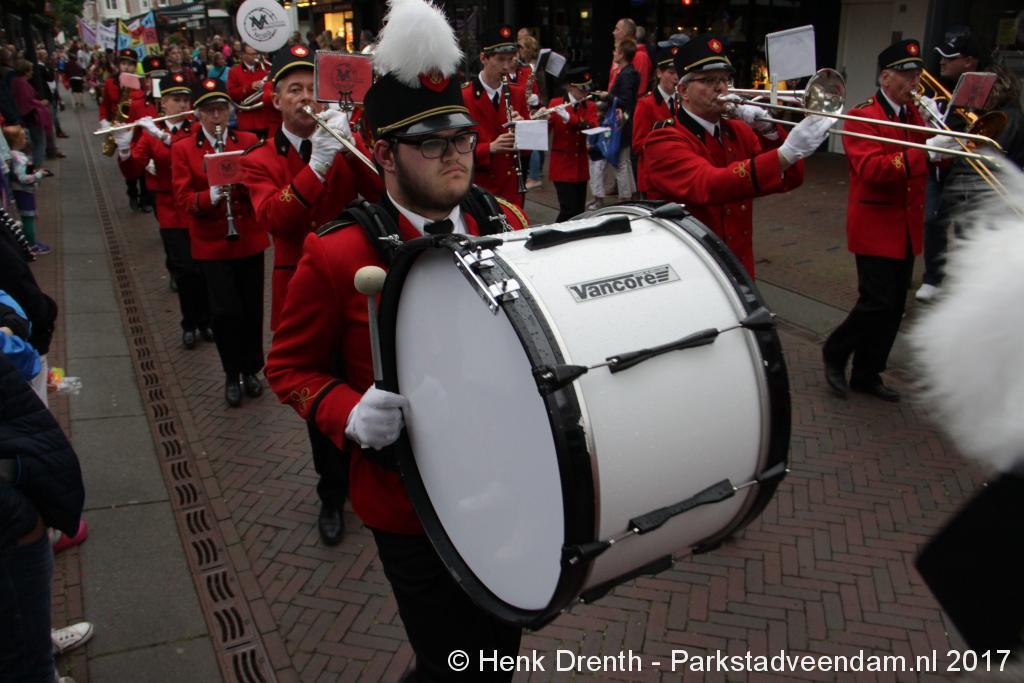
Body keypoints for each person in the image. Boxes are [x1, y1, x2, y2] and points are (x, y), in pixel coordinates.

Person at [265, 0, 527, 678]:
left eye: (462, 140)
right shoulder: (337, 253)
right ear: (383, 153)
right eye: (432, 144)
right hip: (407, 505)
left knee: (497, 650)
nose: (456, 157)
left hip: (506, 482)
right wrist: (347, 411)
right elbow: (288, 368)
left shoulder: (508, 221)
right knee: (450, 659)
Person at [243, 44, 382, 546]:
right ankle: (331, 492)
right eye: (294, 90)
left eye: (311, 90)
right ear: (275, 99)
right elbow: (274, 219)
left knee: (363, 383)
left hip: (354, 282)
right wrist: (317, 166)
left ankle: (368, 477)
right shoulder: (258, 159)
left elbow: (381, 191)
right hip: (300, 291)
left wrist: (352, 144)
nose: (305, 98)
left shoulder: (338, 138)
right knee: (319, 395)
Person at [644, 34, 832, 278]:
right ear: (683, 91)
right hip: (692, 268)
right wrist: (785, 154)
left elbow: (789, 179)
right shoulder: (664, 139)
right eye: (708, 80)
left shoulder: (738, 131)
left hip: (738, 264)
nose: (720, 87)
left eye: (724, 79)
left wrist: (770, 132)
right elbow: (709, 185)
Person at [822, 39, 945, 402]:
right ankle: (835, 350)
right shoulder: (862, 116)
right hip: (875, 225)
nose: (914, 82)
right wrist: (928, 151)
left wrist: (945, 139)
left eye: (917, 74)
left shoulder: (915, 114)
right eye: (906, 75)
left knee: (894, 308)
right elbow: (873, 169)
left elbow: (933, 159)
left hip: (906, 225)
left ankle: (868, 372)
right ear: (885, 77)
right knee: (876, 301)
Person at [171, 78, 268, 407]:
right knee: (225, 311)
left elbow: (263, 183)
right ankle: (231, 372)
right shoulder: (183, 148)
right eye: (209, 110)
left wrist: (245, 185)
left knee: (251, 308)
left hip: (247, 238)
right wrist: (209, 196)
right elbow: (183, 198)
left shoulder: (248, 140)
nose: (216, 117)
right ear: (198, 114)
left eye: (221, 109)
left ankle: (252, 369)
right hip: (212, 242)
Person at [0, 351, 85, 683]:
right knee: (21, 654)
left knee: (23, 625)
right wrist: (20, 516)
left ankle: (40, 645)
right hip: (11, 524)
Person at [115, 73, 212, 350]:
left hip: (198, 207)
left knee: (204, 269)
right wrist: (124, 149)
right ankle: (189, 323)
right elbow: (134, 169)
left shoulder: (196, 129)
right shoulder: (150, 135)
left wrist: (163, 136)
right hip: (171, 210)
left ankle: (206, 320)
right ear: (163, 104)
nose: (182, 105)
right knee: (184, 271)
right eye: (176, 100)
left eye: (185, 100)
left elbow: (194, 155)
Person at [916, 33, 984, 303]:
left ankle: (968, 285)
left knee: (966, 227)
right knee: (931, 220)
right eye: (942, 56)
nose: (942, 61)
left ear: (969, 61)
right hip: (937, 167)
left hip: (965, 169)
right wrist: (927, 118)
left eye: (950, 57)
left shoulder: (982, 88)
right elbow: (932, 130)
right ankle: (933, 277)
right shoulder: (935, 86)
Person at [461, 24, 532, 208]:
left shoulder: (517, 93)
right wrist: (489, 148)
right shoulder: (464, 96)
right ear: (483, 58)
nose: (507, 66)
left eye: (511, 59)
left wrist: (523, 130)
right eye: (500, 59)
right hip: (479, 189)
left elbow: (527, 151)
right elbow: (455, 149)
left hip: (511, 188)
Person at [545, 66, 598, 221]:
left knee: (579, 211)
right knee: (568, 208)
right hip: (561, 164)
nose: (585, 93)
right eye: (581, 90)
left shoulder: (590, 106)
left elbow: (591, 126)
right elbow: (544, 131)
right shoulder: (556, 103)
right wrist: (542, 118)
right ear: (570, 87)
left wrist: (570, 118)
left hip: (580, 166)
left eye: (587, 90)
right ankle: (556, 233)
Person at [633, 42, 679, 197]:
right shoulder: (646, 104)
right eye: (671, 72)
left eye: (678, 73)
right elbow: (638, 145)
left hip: (677, 176)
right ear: (659, 73)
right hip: (654, 179)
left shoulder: (683, 102)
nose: (676, 78)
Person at [227, 43, 273, 139]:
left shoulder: (265, 69)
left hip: (264, 118)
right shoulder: (234, 71)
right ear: (243, 55)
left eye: (256, 54)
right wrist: (250, 87)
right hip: (246, 121)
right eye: (252, 54)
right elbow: (232, 93)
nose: (255, 57)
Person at [611, 18, 651, 96]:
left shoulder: (640, 56)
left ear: (625, 33)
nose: (613, 32)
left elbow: (638, 91)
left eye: (617, 29)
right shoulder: (619, 55)